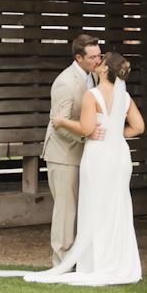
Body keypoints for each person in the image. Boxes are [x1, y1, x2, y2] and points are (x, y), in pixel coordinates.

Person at [26, 51, 144, 286]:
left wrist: (61, 121)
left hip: (99, 155)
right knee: (117, 206)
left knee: (94, 205)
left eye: (102, 60)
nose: (98, 62)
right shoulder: (125, 97)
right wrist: (116, 134)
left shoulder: (93, 95)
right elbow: (139, 127)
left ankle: (96, 263)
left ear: (104, 70)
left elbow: (86, 129)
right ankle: (118, 261)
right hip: (119, 156)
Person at [42, 34, 103, 265]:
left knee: (84, 208)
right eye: (93, 57)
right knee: (66, 212)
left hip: (84, 154)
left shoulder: (93, 76)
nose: (98, 60)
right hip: (63, 155)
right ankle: (61, 264)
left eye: (99, 55)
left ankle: (81, 260)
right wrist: (86, 134)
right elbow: (58, 123)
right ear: (78, 57)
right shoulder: (65, 83)